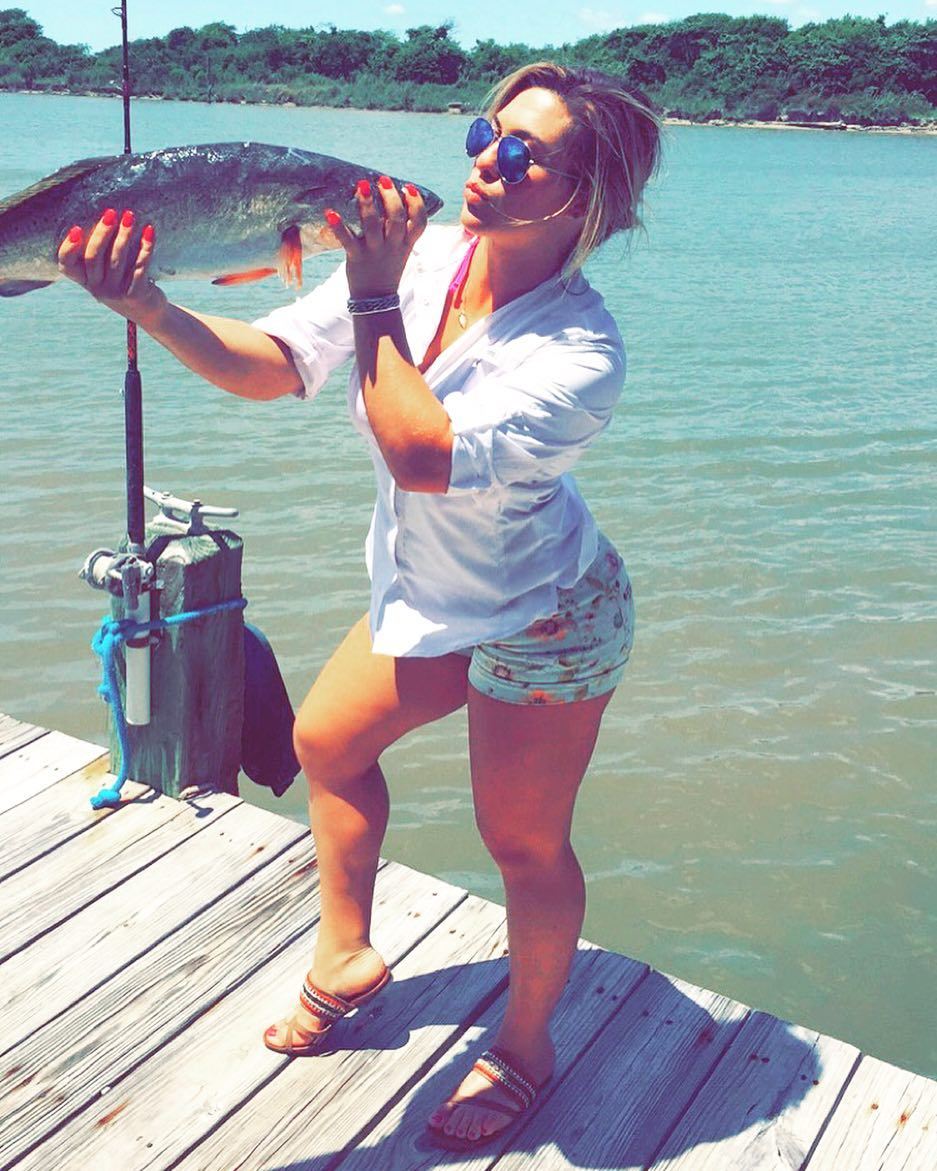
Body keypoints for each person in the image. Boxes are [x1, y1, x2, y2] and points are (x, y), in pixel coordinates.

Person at [58, 61, 662, 1151]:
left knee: (520, 841)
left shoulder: (580, 351)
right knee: (327, 742)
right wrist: (150, 305)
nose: (486, 162)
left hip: (546, 616)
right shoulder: (422, 257)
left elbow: (422, 454)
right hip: (432, 593)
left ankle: (527, 1045)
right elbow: (275, 364)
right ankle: (345, 955)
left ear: (585, 197)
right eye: (483, 133)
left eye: (523, 154)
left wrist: (374, 293)